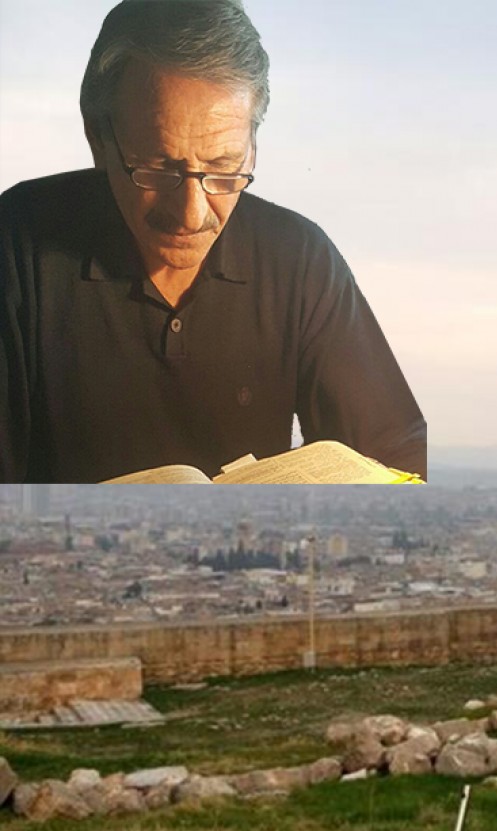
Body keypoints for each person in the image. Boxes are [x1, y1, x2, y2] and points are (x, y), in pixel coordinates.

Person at [0, 0, 426, 483]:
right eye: (158, 169)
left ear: (253, 146)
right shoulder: (14, 246)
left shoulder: (300, 259)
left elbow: (399, 453)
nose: (192, 214)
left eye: (224, 169)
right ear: (98, 137)